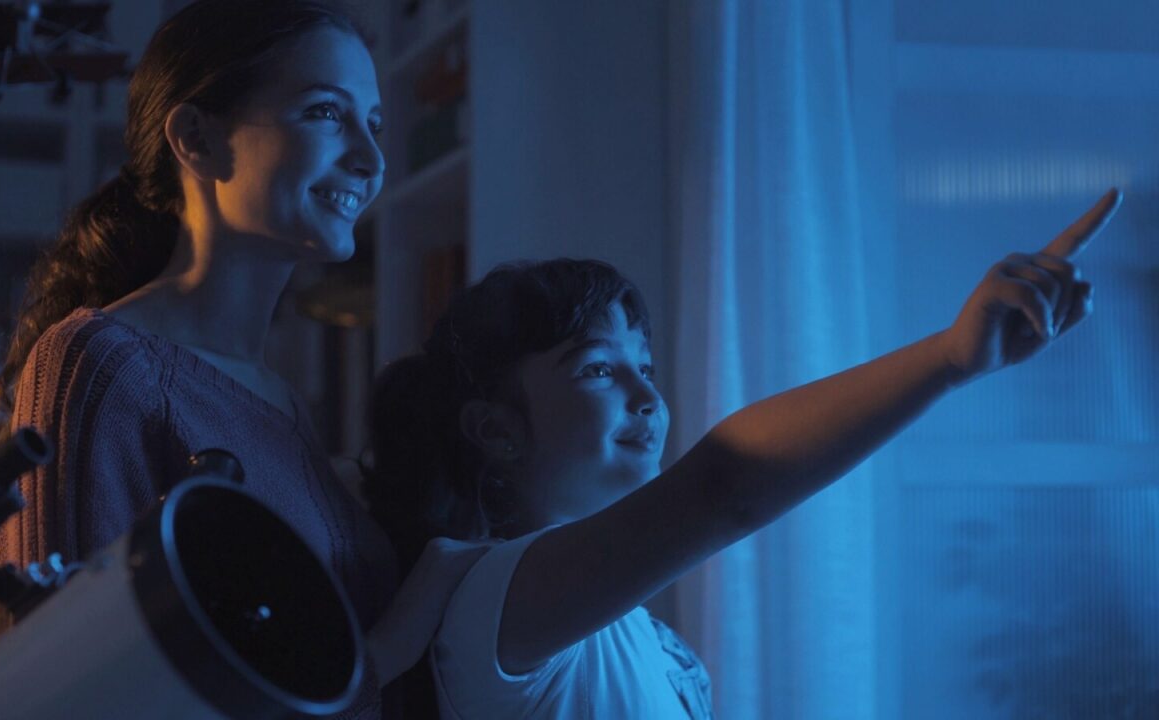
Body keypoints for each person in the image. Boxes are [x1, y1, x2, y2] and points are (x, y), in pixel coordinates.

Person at [363, 190, 1122, 718]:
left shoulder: (640, 636)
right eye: (598, 368)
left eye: (646, 367)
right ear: (495, 430)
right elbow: (724, 488)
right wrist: (950, 359)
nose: (646, 396)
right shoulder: (492, 599)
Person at [0, 1, 478, 715]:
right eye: (326, 113)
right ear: (196, 138)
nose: (371, 158)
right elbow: (69, 698)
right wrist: (391, 646)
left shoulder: (280, 402)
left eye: (374, 124)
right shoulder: (101, 365)